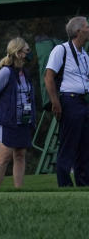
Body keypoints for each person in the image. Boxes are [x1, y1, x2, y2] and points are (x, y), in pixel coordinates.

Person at [43, 16, 89, 187]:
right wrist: (56, 102)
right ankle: (64, 185)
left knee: (84, 147)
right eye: (87, 27)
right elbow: (48, 77)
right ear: (78, 31)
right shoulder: (61, 50)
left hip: (82, 102)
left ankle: (84, 184)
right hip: (68, 101)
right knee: (68, 146)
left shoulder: (84, 54)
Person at [0, 37, 35, 189]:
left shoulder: (25, 73)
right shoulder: (5, 72)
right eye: (27, 50)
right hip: (8, 120)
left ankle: (18, 189)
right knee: (4, 156)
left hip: (24, 120)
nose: (29, 53)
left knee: (20, 155)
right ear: (18, 53)